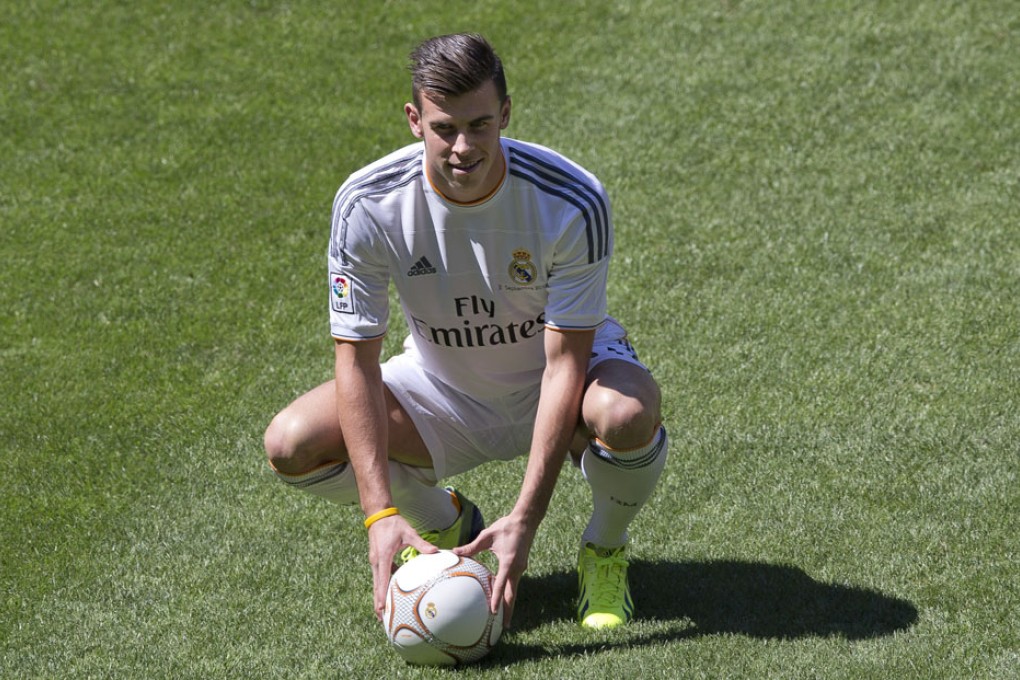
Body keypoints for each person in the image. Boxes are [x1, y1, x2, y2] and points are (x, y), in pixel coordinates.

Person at [263, 33, 667, 630]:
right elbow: (357, 363)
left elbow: (564, 364)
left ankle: (604, 548)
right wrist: (379, 516)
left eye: (480, 125)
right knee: (291, 444)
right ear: (414, 120)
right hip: (442, 390)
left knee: (627, 414)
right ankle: (448, 523)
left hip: (557, 382)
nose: (462, 147)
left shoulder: (570, 199)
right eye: (444, 127)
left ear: (506, 113)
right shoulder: (367, 204)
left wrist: (527, 518)